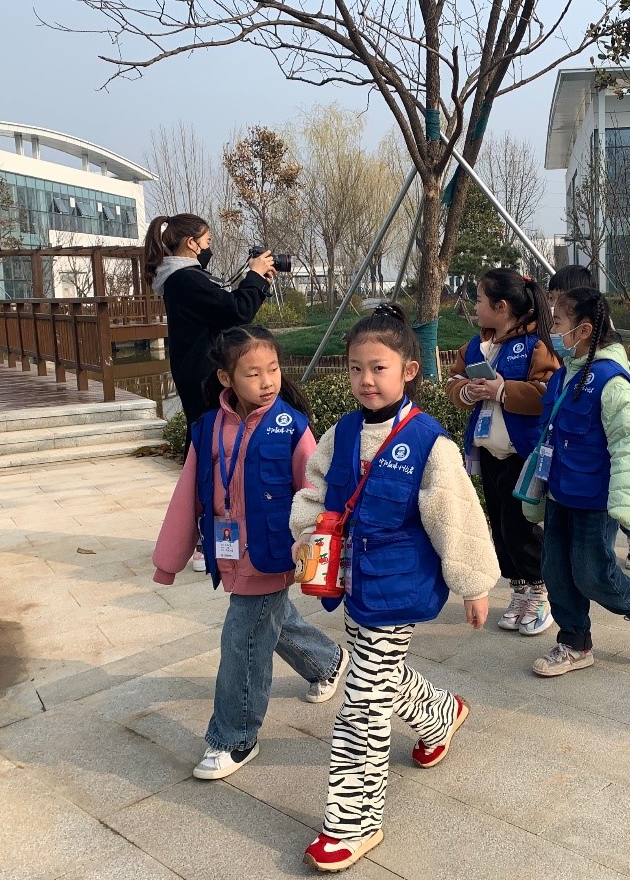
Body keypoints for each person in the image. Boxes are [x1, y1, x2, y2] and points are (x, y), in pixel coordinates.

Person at [292, 304, 498, 872]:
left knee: (362, 702)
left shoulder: (429, 442)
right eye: (356, 368)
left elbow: (456, 514)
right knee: (376, 671)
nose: (366, 379)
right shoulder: (342, 432)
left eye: (378, 368)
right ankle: (440, 713)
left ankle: (353, 823)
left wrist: (473, 584)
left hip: (398, 584)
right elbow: (315, 490)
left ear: (408, 370)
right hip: (349, 578)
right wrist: (305, 537)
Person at [152, 326, 348, 781]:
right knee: (267, 620)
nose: (267, 381)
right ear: (226, 378)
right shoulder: (207, 429)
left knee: (242, 639)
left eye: (273, 370)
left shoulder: (291, 426)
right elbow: (187, 496)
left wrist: (317, 548)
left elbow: (314, 491)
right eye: (253, 373)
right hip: (230, 551)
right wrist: (168, 561)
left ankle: (235, 736)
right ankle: (326, 661)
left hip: (275, 551)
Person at [526, 286, 630, 677]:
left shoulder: (611, 380)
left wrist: (627, 503)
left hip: (594, 498)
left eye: (557, 323)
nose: (552, 331)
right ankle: (575, 643)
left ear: (584, 330)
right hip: (559, 492)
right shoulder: (564, 374)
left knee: (592, 573)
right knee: (556, 571)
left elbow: (628, 443)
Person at [447, 269, 560, 634]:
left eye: (479, 300)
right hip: (488, 454)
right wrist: (467, 391)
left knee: (520, 526)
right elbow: (453, 381)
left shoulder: (536, 346)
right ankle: (519, 590)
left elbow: (547, 394)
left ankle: (541, 591)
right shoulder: (476, 346)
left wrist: (501, 390)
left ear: (501, 306)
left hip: (521, 454)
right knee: (499, 526)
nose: (475, 307)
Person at [547, 265, 630, 569]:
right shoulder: (571, 354)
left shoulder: (606, 369)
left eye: (557, 299)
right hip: (569, 480)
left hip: (595, 479)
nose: (551, 307)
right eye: (551, 298)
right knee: (567, 566)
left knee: (595, 565)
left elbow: (626, 439)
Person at [146, 214, 275, 426]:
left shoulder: (183, 278)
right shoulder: (187, 279)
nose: (209, 248)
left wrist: (259, 281)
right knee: (208, 435)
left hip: (195, 371)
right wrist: (254, 275)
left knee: (203, 433)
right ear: (191, 243)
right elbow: (237, 312)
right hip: (203, 376)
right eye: (207, 241)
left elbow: (227, 309)